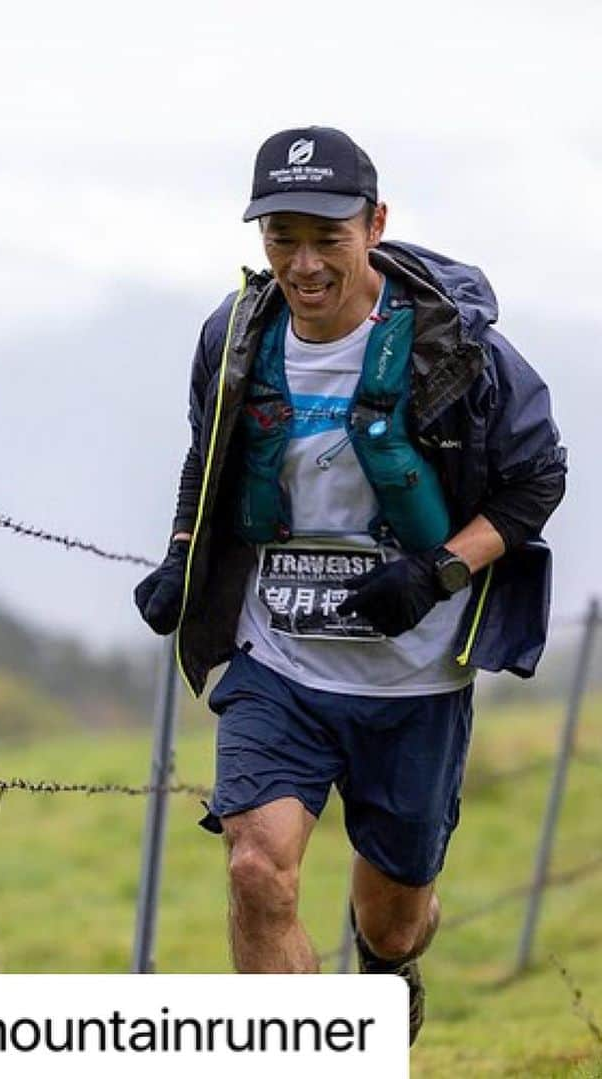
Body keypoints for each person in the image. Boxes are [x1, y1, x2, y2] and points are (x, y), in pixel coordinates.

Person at [134, 126, 566, 1045]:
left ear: (375, 224)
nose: (304, 263)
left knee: (394, 915)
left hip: (413, 677)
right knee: (257, 866)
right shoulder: (236, 334)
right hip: (276, 659)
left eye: (326, 237)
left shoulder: (456, 347)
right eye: (281, 237)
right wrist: (182, 554)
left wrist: (437, 571)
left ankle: (385, 972)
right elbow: (206, 456)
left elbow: (538, 482)